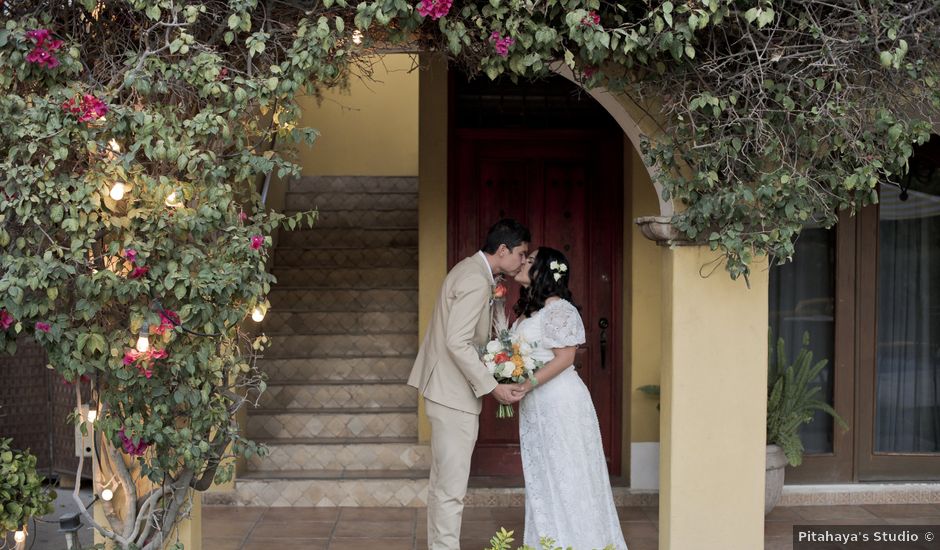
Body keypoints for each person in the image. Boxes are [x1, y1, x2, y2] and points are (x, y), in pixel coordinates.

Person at [408, 218, 531, 550]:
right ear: (502, 250)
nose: (523, 261)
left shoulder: (471, 271)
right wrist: (493, 386)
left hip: (445, 390)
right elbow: (458, 342)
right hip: (452, 395)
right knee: (451, 490)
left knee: (443, 486)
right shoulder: (476, 280)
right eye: (521, 253)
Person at [511, 246, 628, 550]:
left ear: (546, 271)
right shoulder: (528, 311)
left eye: (532, 260)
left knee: (569, 476)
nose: (523, 262)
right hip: (536, 404)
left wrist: (527, 384)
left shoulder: (559, 308)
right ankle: (549, 541)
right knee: (543, 474)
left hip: (561, 402)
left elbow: (564, 358)